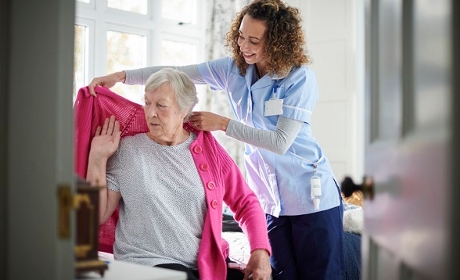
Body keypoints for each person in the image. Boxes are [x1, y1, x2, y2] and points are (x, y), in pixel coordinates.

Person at [87, 0, 345, 279]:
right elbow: (177, 72)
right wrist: (122, 76)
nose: (244, 46)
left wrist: (222, 123)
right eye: (241, 36)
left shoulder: (299, 78)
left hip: (309, 192)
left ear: (278, 42)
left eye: (254, 41)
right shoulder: (234, 69)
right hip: (270, 196)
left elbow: (281, 143)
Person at [85, 68, 272, 280]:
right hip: (147, 263)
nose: (150, 112)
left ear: (184, 110)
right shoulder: (127, 150)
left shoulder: (208, 150)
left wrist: (260, 252)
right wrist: (98, 158)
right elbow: (96, 216)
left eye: (161, 106)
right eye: (147, 102)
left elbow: (246, 202)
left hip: (202, 265)